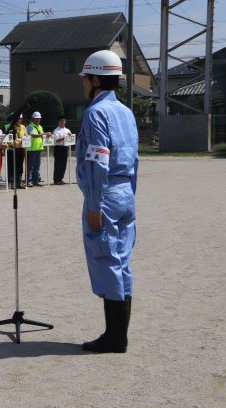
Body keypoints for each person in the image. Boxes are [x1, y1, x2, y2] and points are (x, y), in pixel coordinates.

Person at [76, 50, 138, 353]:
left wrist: (94, 204)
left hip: (106, 194)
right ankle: (118, 334)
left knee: (106, 259)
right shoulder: (126, 112)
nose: (84, 85)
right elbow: (135, 159)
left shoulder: (95, 113)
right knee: (122, 260)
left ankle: (115, 337)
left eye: (86, 79)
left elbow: (99, 161)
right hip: (125, 191)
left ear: (96, 79)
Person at [26, 111, 48, 187]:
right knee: (30, 166)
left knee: (37, 166)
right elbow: (34, 135)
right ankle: (29, 181)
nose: (38, 120)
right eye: (36, 118)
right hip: (31, 149)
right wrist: (43, 134)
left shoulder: (40, 127)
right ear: (32, 119)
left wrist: (47, 135)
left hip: (38, 148)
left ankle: (35, 181)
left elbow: (42, 136)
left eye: (39, 118)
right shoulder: (30, 126)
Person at [53, 115, 72, 185]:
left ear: (65, 122)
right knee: (58, 164)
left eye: (63, 121)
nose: (62, 122)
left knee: (64, 164)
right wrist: (66, 137)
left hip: (65, 148)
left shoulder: (67, 130)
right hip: (58, 148)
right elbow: (57, 140)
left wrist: (71, 136)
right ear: (58, 122)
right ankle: (56, 179)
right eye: (61, 121)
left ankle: (61, 179)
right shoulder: (56, 130)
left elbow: (71, 138)